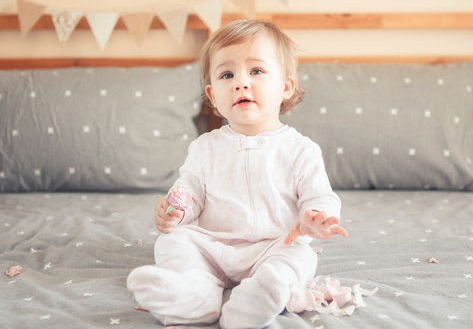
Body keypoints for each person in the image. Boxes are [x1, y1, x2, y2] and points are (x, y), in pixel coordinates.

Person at [127, 19, 348, 328]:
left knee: (301, 256)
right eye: (227, 74)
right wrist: (175, 211)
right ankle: (197, 295)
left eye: (256, 71)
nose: (241, 82)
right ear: (213, 96)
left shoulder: (301, 149)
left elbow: (320, 196)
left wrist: (316, 217)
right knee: (172, 241)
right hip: (214, 246)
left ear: (286, 85)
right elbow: (189, 190)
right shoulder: (204, 148)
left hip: (272, 245)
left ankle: (259, 297)